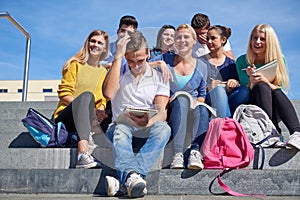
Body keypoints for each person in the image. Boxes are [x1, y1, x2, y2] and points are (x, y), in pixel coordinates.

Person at [102, 31, 171, 198]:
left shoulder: (160, 76)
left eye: (140, 60)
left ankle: (128, 179)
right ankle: (133, 176)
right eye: (130, 60)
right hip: (120, 127)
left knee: (164, 129)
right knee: (121, 129)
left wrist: (149, 122)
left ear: (148, 53)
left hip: (145, 127)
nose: (136, 65)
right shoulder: (119, 70)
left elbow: (162, 111)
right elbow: (108, 94)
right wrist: (118, 57)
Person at [151, 24, 209, 170]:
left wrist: (198, 101)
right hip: (172, 108)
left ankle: (195, 151)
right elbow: (139, 67)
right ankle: (177, 154)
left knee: (202, 107)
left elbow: (202, 93)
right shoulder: (164, 58)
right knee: (181, 98)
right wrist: (159, 63)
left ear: (194, 41)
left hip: (193, 111)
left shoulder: (202, 66)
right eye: (179, 37)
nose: (182, 40)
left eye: (186, 37)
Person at [236, 24, 300, 150]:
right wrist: (251, 80)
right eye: (255, 38)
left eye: (262, 39)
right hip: (254, 106)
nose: (257, 42)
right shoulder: (242, 61)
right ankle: (273, 131)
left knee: (272, 89)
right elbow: (244, 91)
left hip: (275, 104)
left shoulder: (280, 59)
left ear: (269, 42)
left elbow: (279, 86)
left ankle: (296, 133)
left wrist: (265, 80)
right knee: (261, 87)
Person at [53, 30, 109, 168]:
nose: (95, 45)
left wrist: (99, 112)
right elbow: (64, 93)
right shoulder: (74, 64)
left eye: (99, 42)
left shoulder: (103, 71)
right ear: (87, 43)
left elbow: (102, 99)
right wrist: (88, 110)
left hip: (90, 117)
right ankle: (82, 154)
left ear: (104, 48)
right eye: (93, 41)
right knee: (86, 96)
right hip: (67, 116)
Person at [200, 25, 249, 117]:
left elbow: (239, 82)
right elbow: (196, 86)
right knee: (218, 90)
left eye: (213, 38)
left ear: (223, 40)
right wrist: (209, 87)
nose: (209, 42)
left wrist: (234, 82)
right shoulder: (200, 62)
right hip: (209, 98)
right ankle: (226, 124)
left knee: (244, 91)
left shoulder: (231, 63)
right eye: (207, 38)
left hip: (229, 99)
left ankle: (227, 118)